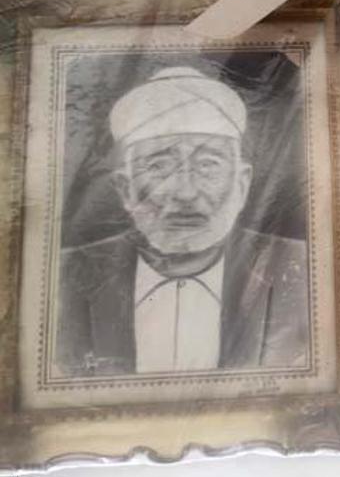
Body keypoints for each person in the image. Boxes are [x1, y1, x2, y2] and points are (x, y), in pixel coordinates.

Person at [55, 66, 309, 377]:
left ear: (241, 184)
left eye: (208, 165)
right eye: (159, 166)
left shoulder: (303, 270)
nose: (185, 193)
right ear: (125, 188)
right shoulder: (63, 278)